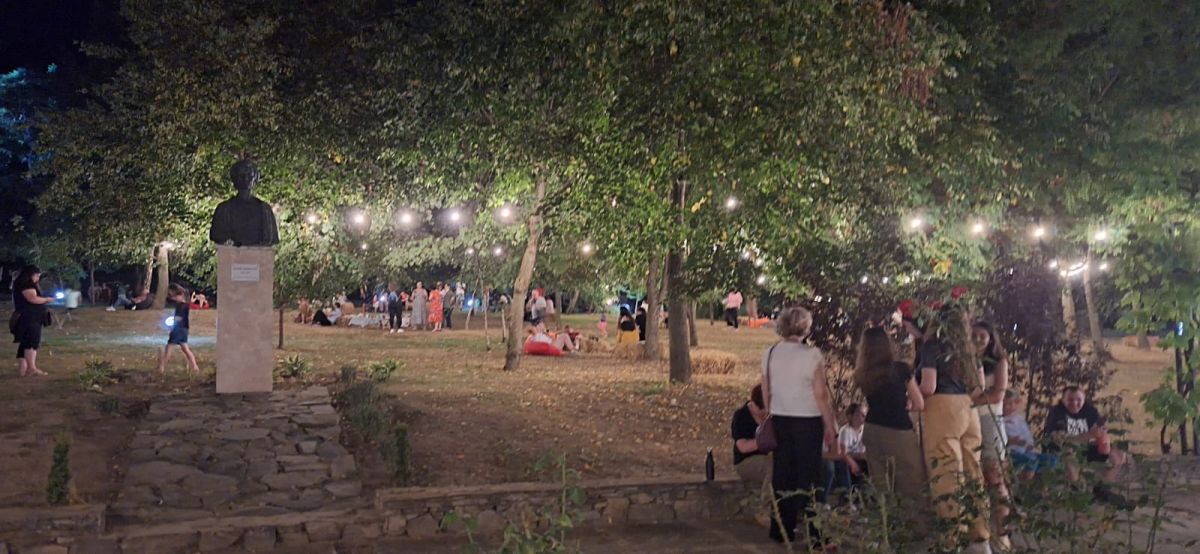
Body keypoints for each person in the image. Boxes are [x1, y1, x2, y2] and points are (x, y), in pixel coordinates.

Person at [761, 306, 837, 547]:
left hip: (780, 418)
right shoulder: (812, 355)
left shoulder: (770, 353)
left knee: (782, 474)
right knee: (811, 477)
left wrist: (770, 412)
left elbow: (765, 388)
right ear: (806, 328)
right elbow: (820, 394)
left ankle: (781, 529)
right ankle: (816, 533)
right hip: (808, 420)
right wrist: (829, 424)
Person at [918, 303, 991, 552]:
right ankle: (980, 538)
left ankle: (952, 541)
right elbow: (979, 387)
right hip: (969, 409)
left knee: (947, 473)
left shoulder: (933, 345)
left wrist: (910, 393)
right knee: (973, 471)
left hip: (942, 407)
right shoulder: (969, 349)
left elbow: (929, 386)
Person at [854, 326, 929, 525]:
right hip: (898, 431)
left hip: (872, 429)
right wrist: (908, 404)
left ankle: (886, 528)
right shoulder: (901, 369)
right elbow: (919, 403)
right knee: (912, 482)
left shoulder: (862, 374)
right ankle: (917, 529)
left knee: (881, 485)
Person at [1044, 386, 1130, 505]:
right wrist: (1088, 435)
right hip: (1061, 450)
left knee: (1118, 455)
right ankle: (1076, 494)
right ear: (1063, 400)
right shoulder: (1057, 412)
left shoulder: (1089, 411)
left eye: (1078, 400)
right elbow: (1058, 439)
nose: (1075, 403)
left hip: (1085, 448)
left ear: (1084, 399)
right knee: (1070, 458)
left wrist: (1103, 439)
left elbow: (1100, 430)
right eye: (1070, 400)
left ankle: (1102, 490)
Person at [972, 320, 1012, 546]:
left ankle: (1003, 533)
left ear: (990, 339)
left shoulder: (999, 362)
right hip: (968, 423)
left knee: (995, 479)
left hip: (989, 421)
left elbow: (997, 395)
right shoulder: (965, 361)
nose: (977, 339)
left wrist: (969, 401)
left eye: (982, 336)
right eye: (974, 335)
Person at [731, 384, 772, 526]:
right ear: (754, 404)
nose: (765, 413)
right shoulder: (741, 416)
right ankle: (764, 511)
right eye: (763, 410)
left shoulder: (771, 416)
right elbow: (742, 447)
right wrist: (764, 441)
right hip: (745, 462)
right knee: (772, 466)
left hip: (767, 458)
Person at [1003, 391, 1055, 479]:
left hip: (1026, 451)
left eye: (1013, 403)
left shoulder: (1019, 419)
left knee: (1051, 460)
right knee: (1032, 461)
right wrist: (1012, 441)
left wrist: (1029, 444)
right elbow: (1002, 440)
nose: (1011, 406)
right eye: (1007, 404)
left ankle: (1040, 482)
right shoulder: (1000, 421)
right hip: (1012, 453)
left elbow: (1026, 434)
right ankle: (1023, 482)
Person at [11, 265, 51, 376]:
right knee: (32, 342)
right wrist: (46, 299)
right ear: (31, 274)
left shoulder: (21, 284)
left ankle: (23, 369)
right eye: (37, 275)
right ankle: (31, 368)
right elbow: (32, 298)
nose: (38, 278)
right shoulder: (26, 285)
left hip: (27, 317)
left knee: (25, 342)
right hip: (30, 317)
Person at [827, 404, 869, 502]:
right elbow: (843, 452)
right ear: (850, 416)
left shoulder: (865, 430)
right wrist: (854, 461)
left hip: (861, 459)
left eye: (865, 414)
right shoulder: (846, 431)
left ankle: (865, 496)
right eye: (860, 414)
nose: (864, 416)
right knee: (844, 465)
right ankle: (847, 497)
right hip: (848, 459)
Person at [156, 284, 200, 375]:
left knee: (168, 349)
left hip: (178, 330)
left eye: (175, 296)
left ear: (181, 295)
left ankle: (161, 368)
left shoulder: (181, 306)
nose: (174, 298)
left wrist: (172, 327)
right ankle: (195, 367)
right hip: (184, 330)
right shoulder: (184, 305)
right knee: (186, 349)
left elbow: (178, 318)